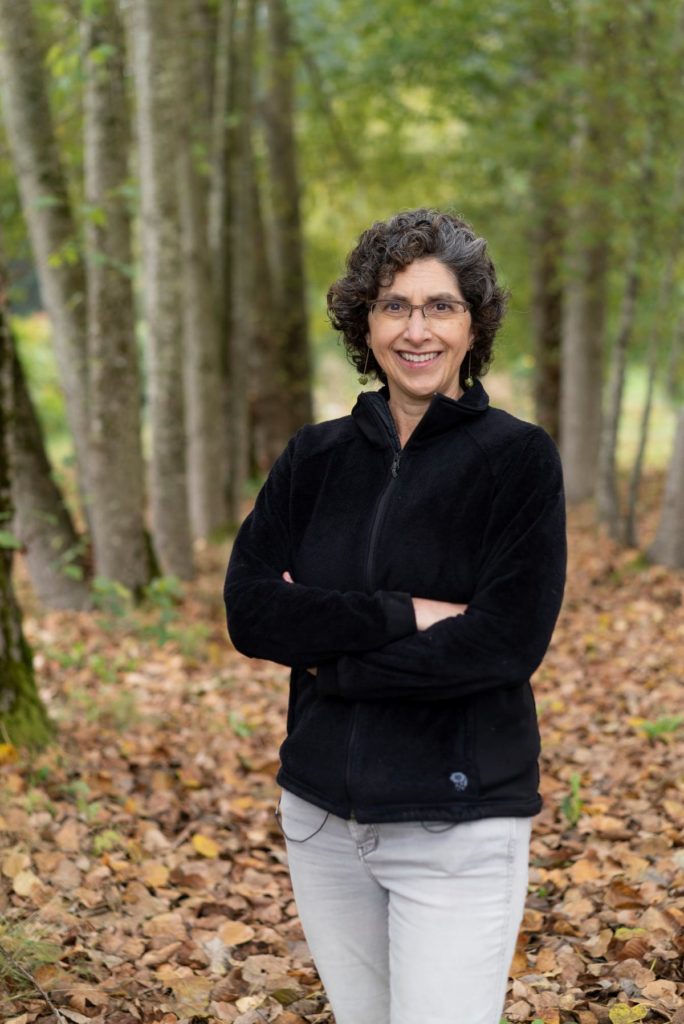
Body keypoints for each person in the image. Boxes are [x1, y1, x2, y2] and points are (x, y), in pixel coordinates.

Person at [224, 208, 566, 1024]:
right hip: (321, 819)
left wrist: (329, 659)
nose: (417, 330)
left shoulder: (518, 461)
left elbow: (503, 642)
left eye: (440, 306)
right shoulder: (314, 457)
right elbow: (251, 610)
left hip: (456, 823)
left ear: (474, 323)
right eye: (394, 306)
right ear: (364, 323)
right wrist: (405, 613)